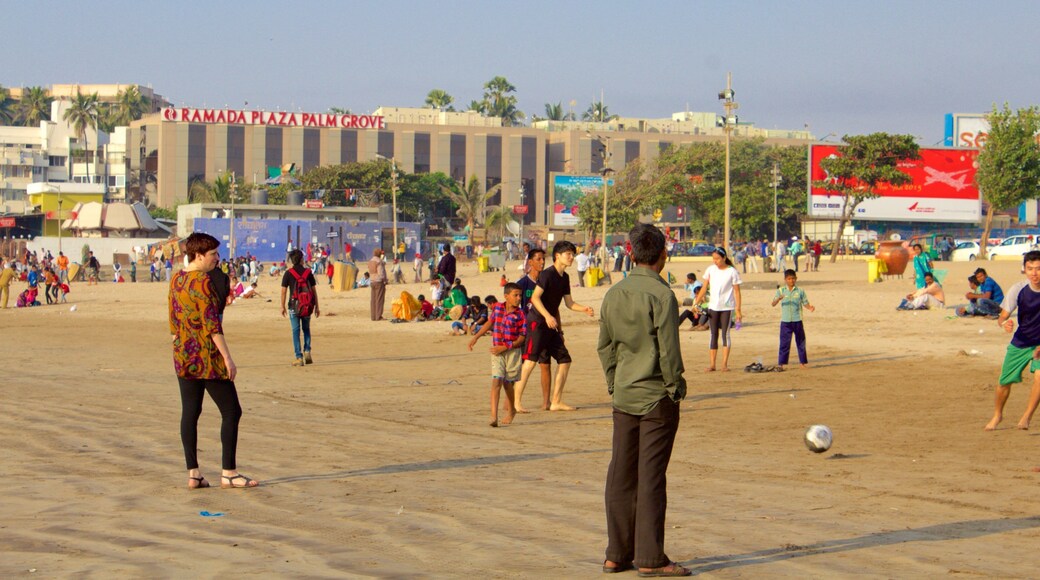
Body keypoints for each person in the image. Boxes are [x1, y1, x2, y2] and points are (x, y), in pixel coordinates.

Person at [598, 222, 689, 577]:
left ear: (631, 253)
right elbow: (669, 352)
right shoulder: (662, 295)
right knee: (651, 477)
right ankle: (650, 558)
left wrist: (614, 382)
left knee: (620, 474)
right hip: (656, 398)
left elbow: (604, 347)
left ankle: (616, 554)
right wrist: (675, 387)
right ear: (662, 255)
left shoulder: (613, 294)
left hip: (624, 394)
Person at [169, 232, 258, 490]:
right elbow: (212, 324)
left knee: (190, 412)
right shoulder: (202, 281)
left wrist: (181, 344)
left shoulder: (176, 279)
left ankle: (193, 473)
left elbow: (173, 323)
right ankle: (229, 472)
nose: (217, 259)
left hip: (183, 355)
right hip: (207, 356)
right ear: (198, 256)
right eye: (213, 255)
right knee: (231, 411)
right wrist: (227, 358)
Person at [512, 240, 595, 413]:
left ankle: (556, 401)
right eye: (568, 254)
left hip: (551, 325)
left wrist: (584, 309)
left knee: (565, 360)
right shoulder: (547, 275)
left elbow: (569, 303)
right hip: (537, 323)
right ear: (558, 256)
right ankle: (516, 402)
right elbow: (535, 298)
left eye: (572, 254)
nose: (571, 257)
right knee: (530, 362)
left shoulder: (565, 278)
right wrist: (548, 316)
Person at [986, 251, 1040, 431]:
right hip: (1021, 341)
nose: (1034, 273)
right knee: (1003, 383)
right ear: (1024, 270)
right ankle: (997, 415)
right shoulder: (1018, 289)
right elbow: (1002, 317)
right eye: (1030, 269)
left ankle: (1026, 417)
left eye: (1039, 269)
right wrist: (1005, 324)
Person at [469, 283, 526, 427]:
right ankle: (493, 416)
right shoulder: (498, 308)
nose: (519, 298)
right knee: (496, 381)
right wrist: (476, 337)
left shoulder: (520, 314)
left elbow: (522, 337)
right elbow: (489, 323)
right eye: (515, 295)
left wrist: (506, 346)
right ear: (506, 296)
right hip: (496, 351)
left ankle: (512, 409)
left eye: (520, 295)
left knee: (508, 384)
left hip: (512, 351)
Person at [694, 247, 743, 372]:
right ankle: (712, 364)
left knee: (725, 334)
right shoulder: (710, 270)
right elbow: (704, 288)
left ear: (724, 258)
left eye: (717, 259)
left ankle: (724, 364)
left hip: (727, 307)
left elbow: (737, 291)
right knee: (713, 334)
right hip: (713, 307)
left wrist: (738, 310)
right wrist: (696, 302)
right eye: (713, 259)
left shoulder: (732, 271)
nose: (715, 261)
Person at [516, 247, 553, 410]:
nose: (542, 262)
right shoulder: (522, 284)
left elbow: (554, 306)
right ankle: (512, 400)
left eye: (543, 259)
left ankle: (546, 402)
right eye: (538, 259)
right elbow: (513, 306)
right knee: (523, 365)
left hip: (544, 328)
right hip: (528, 329)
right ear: (530, 262)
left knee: (545, 364)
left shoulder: (547, 281)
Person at [281, 249, 320, 366]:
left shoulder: (288, 273)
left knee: (295, 331)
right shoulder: (308, 273)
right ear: (302, 260)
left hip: (293, 306)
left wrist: (282, 306)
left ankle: (299, 357)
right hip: (307, 305)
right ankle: (307, 350)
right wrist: (317, 306)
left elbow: (283, 291)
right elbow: (313, 291)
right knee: (306, 329)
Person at [771, 269, 816, 370]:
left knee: (800, 342)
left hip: (797, 320)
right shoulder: (781, 291)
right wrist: (778, 299)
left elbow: (805, 302)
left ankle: (802, 363)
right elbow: (773, 303)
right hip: (785, 321)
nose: (791, 281)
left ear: (796, 279)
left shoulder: (800, 291)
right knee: (784, 343)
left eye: (793, 279)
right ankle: (781, 364)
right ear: (785, 279)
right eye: (789, 279)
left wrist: (810, 307)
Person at [368, 249, 389, 321]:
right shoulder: (379, 261)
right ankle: (378, 316)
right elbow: (381, 273)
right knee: (379, 299)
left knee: (373, 300)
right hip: (379, 282)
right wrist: (385, 280)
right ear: (380, 254)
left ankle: (373, 316)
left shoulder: (370, 261)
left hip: (372, 281)